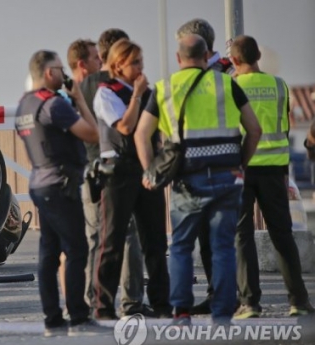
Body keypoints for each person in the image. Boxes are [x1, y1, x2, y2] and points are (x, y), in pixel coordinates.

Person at [135, 34, 262, 325]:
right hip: (227, 177)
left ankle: (180, 311)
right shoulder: (226, 83)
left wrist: (149, 171)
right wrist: (240, 164)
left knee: (181, 246)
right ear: (207, 56)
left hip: (186, 181)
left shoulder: (165, 88)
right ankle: (222, 313)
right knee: (223, 247)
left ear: (179, 59)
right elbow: (253, 129)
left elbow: (141, 133)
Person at [15, 49, 108, 337]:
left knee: (49, 253)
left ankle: (53, 319)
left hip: (41, 183)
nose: (62, 73)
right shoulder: (54, 104)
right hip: (61, 185)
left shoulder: (24, 104)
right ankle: (78, 317)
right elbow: (93, 134)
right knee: (76, 248)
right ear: (47, 73)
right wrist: (79, 98)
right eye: (58, 68)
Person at [229, 35, 315, 318]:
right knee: (282, 235)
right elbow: (285, 127)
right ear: (258, 57)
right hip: (276, 168)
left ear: (234, 60)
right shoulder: (280, 85)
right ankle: (299, 301)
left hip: (242, 167)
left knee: (242, 235)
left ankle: (250, 303)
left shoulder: (232, 86)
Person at [91, 38, 172, 320]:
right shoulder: (106, 93)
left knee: (155, 241)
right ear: (118, 65)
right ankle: (103, 306)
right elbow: (125, 127)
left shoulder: (149, 92)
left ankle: (162, 304)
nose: (141, 67)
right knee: (112, 241)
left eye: (141, 61)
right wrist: (137, 95)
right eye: (134, 62)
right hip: (118, 171)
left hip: (145, 168)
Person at [80, 28, 151, 318]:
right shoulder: (115, 87)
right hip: (119, 168)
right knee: (129, 237)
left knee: (97, 239)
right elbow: (131, 128)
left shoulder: (83, 86)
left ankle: (92, 300)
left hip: (90, 170)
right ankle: (131, 300)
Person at [175, 18, 235, 315]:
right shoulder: (224, 72)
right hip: (223, 167)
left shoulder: (224, 73)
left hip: (215, 169)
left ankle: (228, 299)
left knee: (214, 242)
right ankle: (220, 298)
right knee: (212, 243)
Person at [56, 38, 101, 300]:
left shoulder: (87, 91)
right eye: (96, 58)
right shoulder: (67, 99)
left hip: (81, 173)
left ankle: (79, 300)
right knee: (79, 241)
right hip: (77, 176)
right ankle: (79, 300)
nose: (101, 62)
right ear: (82, 64)